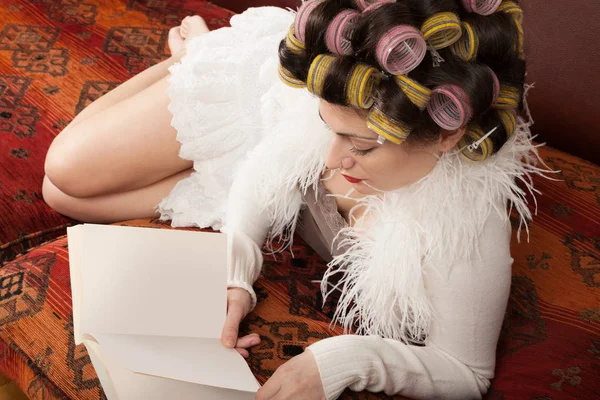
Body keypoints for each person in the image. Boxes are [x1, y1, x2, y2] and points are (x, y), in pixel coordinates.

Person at [43, 0, 549, 398]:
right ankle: (195, 56)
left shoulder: (468, 219)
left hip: (280, 150)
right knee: (62, 170)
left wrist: (339, 362)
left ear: (446, 136)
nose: (332, 159)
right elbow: (269, 169)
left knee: (67, 200)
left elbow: (466, 370)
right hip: (254, 99)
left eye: (362, 146)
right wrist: (237, 267)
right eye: (328, 130)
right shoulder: (338, 104)